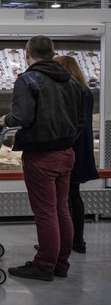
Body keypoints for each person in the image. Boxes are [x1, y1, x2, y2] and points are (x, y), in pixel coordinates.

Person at [1, 36, 84, 282]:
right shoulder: (71, 81)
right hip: (66, 153)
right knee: (61, 209)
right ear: (53, 53)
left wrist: (5, 120)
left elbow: (21, 118)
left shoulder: (27, 80)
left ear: (27, 54)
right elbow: (81, 120)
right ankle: (61, 263)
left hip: (41, 156)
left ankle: (44, 265)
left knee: (45, 212)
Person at [54, 55, 100, 254]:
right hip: (82, 148)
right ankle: (77, 241)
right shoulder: (85, 91)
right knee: (74, 195)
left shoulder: (68, 91)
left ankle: (62, 242)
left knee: (62, 199)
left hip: (68, 147)